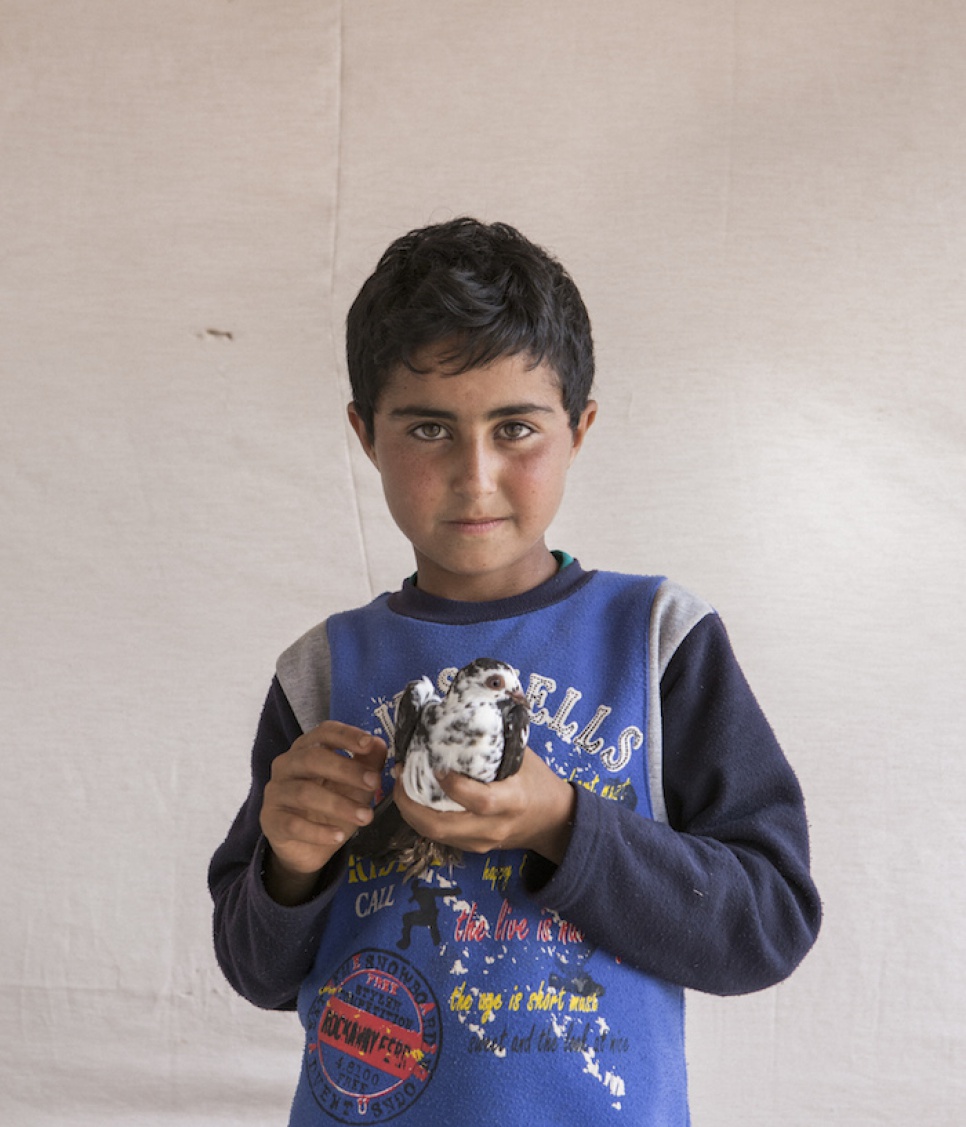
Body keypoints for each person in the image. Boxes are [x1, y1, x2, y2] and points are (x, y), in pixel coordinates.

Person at [209, 217, 821, 1126]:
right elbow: (256, 966)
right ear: (365, 435)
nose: (476, 474)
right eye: (428, 427)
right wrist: (289, 867)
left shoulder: (658, 639)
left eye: (516, 427)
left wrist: (563, 824)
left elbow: (765, 925)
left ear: (580, 427)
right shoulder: (321, 669)